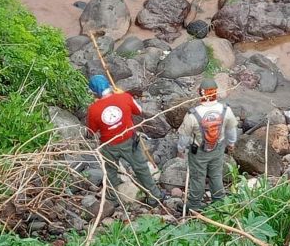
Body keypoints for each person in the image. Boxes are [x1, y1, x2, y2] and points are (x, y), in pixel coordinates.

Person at [86, 75, 164, 207]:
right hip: (129, 140)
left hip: (109, 145)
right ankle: (154, 196)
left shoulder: (93, 109)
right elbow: (139, 111)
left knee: (109, 171)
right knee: (141, 168)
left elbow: (91, 132)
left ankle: (112, 199)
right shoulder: (124, 97)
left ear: (95, 92)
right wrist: (125, 96)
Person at [177, 78, 238, 213]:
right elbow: (231, 130)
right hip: (218, 148)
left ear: (201, 93)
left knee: (198, 177)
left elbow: (184, 137)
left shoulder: (193, 114)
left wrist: (180, 149)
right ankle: (220, 202)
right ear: (215, 93)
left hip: (198, 152)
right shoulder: (225, 110)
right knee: (216, 175)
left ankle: (194, 205)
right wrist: (231, 143)